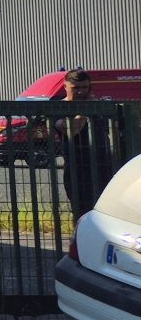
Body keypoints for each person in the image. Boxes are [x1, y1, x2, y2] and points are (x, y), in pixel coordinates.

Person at [57, 69, 118, 224]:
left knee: (107, 211)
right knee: (82, 213)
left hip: (104, 165)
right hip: (78, 168)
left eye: (85, 87)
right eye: (75, 88)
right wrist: (85, 109)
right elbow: (71, 130)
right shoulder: (59, 107)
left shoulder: (98, 106)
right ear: (65, 86)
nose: (81, 92)